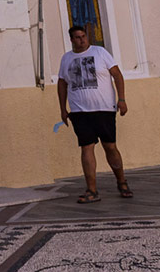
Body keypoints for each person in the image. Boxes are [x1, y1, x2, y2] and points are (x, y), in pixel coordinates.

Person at [57, 23, 131, 203]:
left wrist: (121, 99)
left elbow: (117, 75)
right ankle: (92, 189)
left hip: (104, 109)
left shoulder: (100, 53)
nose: (82, 40)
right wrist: (63, 109)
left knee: (110, 146)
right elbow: (62, 83)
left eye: (83, 36)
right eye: (77, 37)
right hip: (80, 111)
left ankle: (122, 182)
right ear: (71, 40)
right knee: (86, 147)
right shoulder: (66, 58)